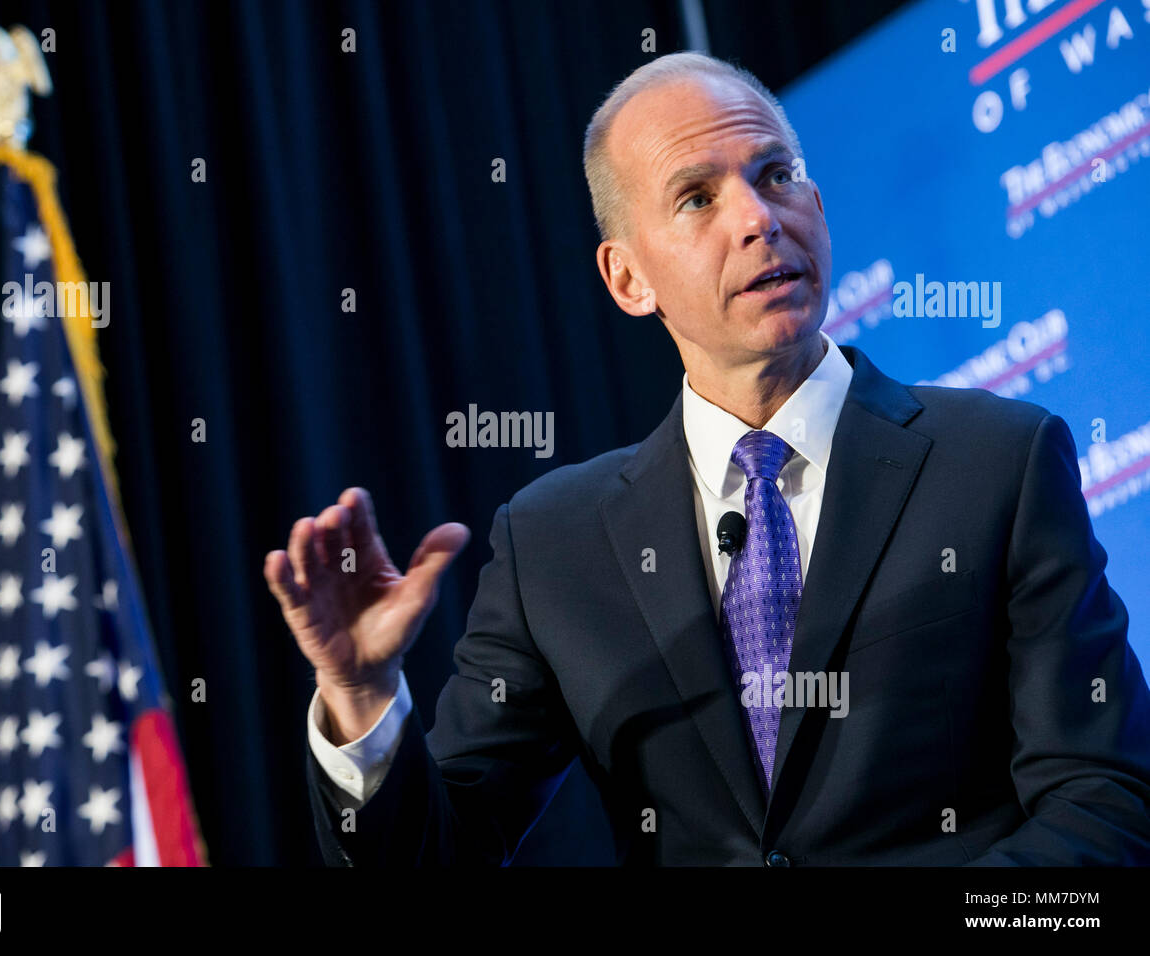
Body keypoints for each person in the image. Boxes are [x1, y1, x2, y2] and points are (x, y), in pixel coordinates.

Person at [263, 51, 1150, 865]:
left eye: (776, 175)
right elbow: (434, 858)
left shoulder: (998, 460)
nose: (759, 220)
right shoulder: (554, 547)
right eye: (697, 197)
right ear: (626, 279)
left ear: (819, 204)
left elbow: (1106, 804)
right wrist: (360, 693)